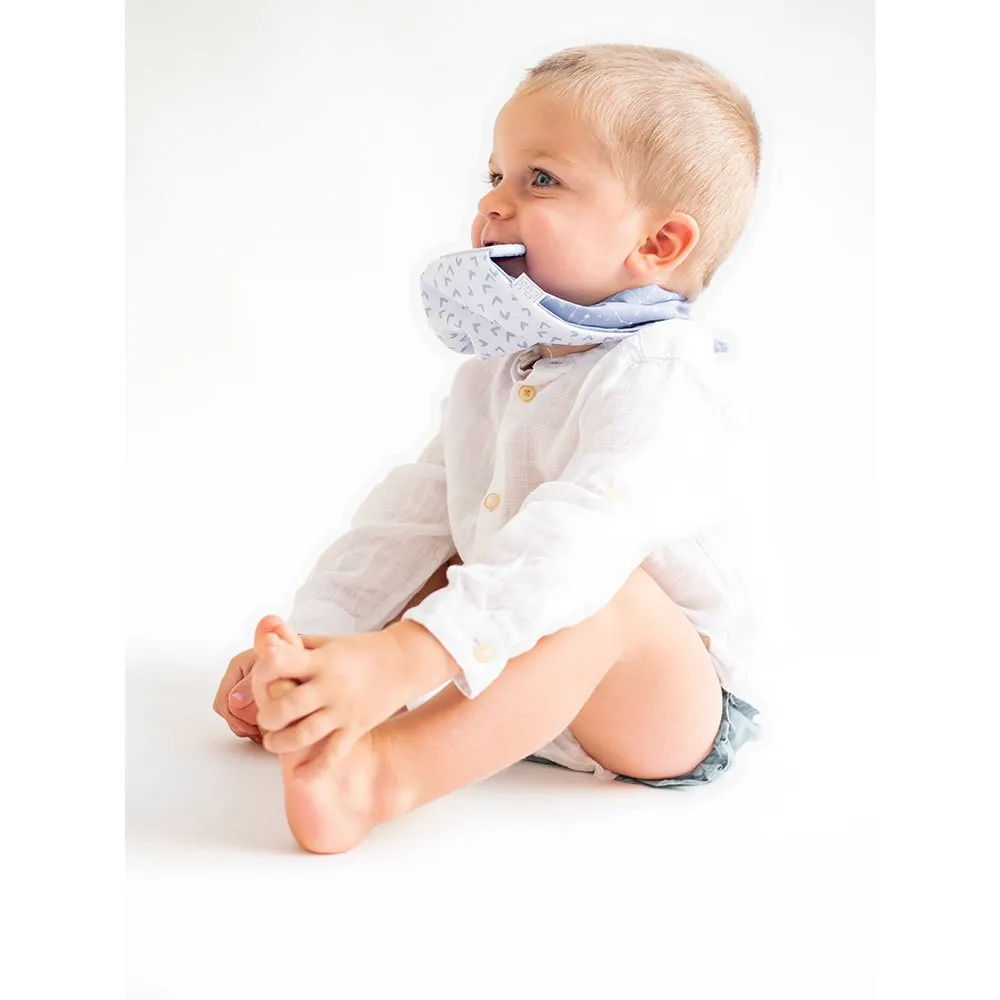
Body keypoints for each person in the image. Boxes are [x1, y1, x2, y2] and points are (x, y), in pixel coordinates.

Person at [213, 43, 765, 854]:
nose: (494, 202)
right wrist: (316, 648)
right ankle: (334, 704)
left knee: (596, 584)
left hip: (661, 712)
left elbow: (579, 540)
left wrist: (408, 656)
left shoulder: (666, 376)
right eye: (495, 174)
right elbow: (411, 517)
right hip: (518, 676)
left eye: (540, 179)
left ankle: (383, 775)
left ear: (658, 244)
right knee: (456, 530)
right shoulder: (501, 368)